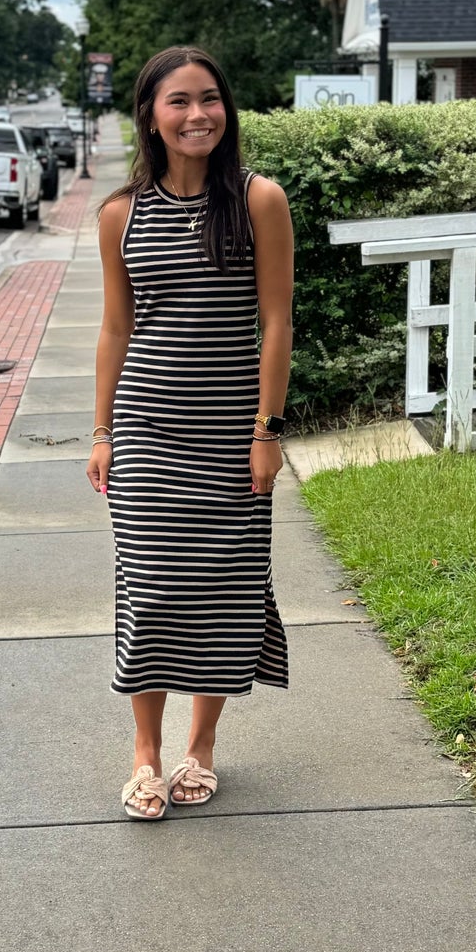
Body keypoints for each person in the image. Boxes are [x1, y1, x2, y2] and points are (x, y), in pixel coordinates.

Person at [87, 45, 294, 821]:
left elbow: (275, 320)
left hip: (229, 431)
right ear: (150, 114)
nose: (197, 113)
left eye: (209, 98)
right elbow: (116, 326)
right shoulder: (121, 213)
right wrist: (102, 431)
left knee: (222, 587)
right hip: (145, 429)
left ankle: (200, 748)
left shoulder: (258, 200)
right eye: (178, 101)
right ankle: (143, 752)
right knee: (149, 585)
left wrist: (266, 430)